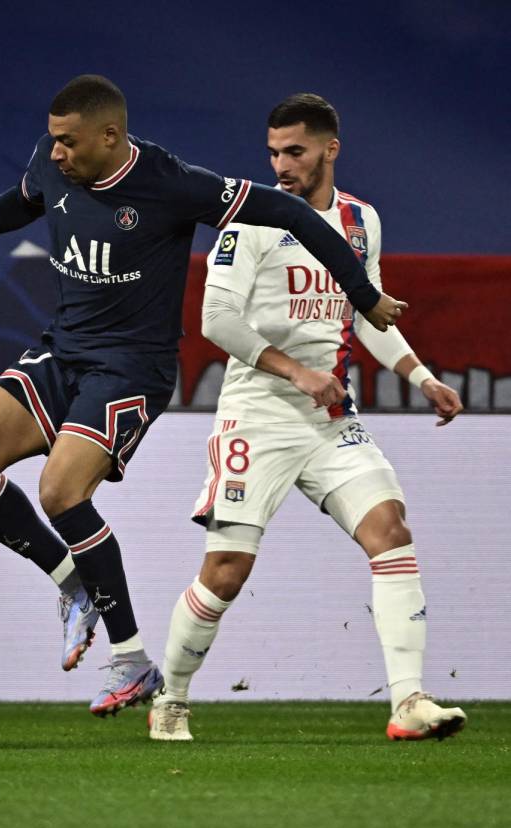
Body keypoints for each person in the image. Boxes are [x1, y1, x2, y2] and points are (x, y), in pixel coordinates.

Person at [0, 75, 406, 718]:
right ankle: (74, 587)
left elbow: (284, 211)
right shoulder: (52, 161)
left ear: (110, 136)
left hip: (131, 369)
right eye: (53, 141)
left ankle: (132, 660)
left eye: (69, 142)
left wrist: (364, 297)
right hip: (62, 351)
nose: (55, 153)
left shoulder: (170, 184)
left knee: (61, 491)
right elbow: (17, 203)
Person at [147, 93, 465, 742]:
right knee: (225, 573)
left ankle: (407, 701)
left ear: (329, 149)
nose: (281, 164)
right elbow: (216, 321)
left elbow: (367, 314)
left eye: (294, 151)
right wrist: (295, 372)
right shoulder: (251, 222)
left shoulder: (360, 221)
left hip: (327, 420)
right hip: (255, 417)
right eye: (272, 152)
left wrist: (422, 378)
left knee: (390, 531)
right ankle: (169, 698)